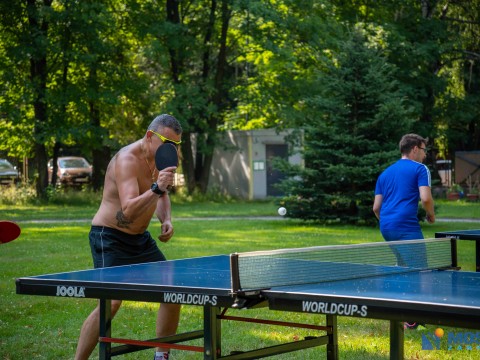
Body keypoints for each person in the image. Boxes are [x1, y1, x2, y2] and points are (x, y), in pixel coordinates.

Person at [74, 114, 183, 360]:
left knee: (173, 290)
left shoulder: (160, 157)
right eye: (167, 142)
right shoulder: (127, 160)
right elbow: (128, 210)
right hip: (109, 237)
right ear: (149, 136)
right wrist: (157, 188)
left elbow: (162, 195)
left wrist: (165, 219)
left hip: (140, 239)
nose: (172, 149)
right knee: (111, 302)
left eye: (176, 144)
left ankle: (161, 356)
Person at [372, 133, 435, 330]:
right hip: (406, 227)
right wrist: (431, 215)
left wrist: (389, 222)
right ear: (415, 148)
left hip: (387, 227)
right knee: (421, 270)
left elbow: (376, 208)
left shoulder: (385, 173)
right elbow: (425, 198)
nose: (425, 155)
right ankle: (415, 317)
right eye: (424, 150)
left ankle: (399, 309)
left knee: (401, 266)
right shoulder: (420, 169)